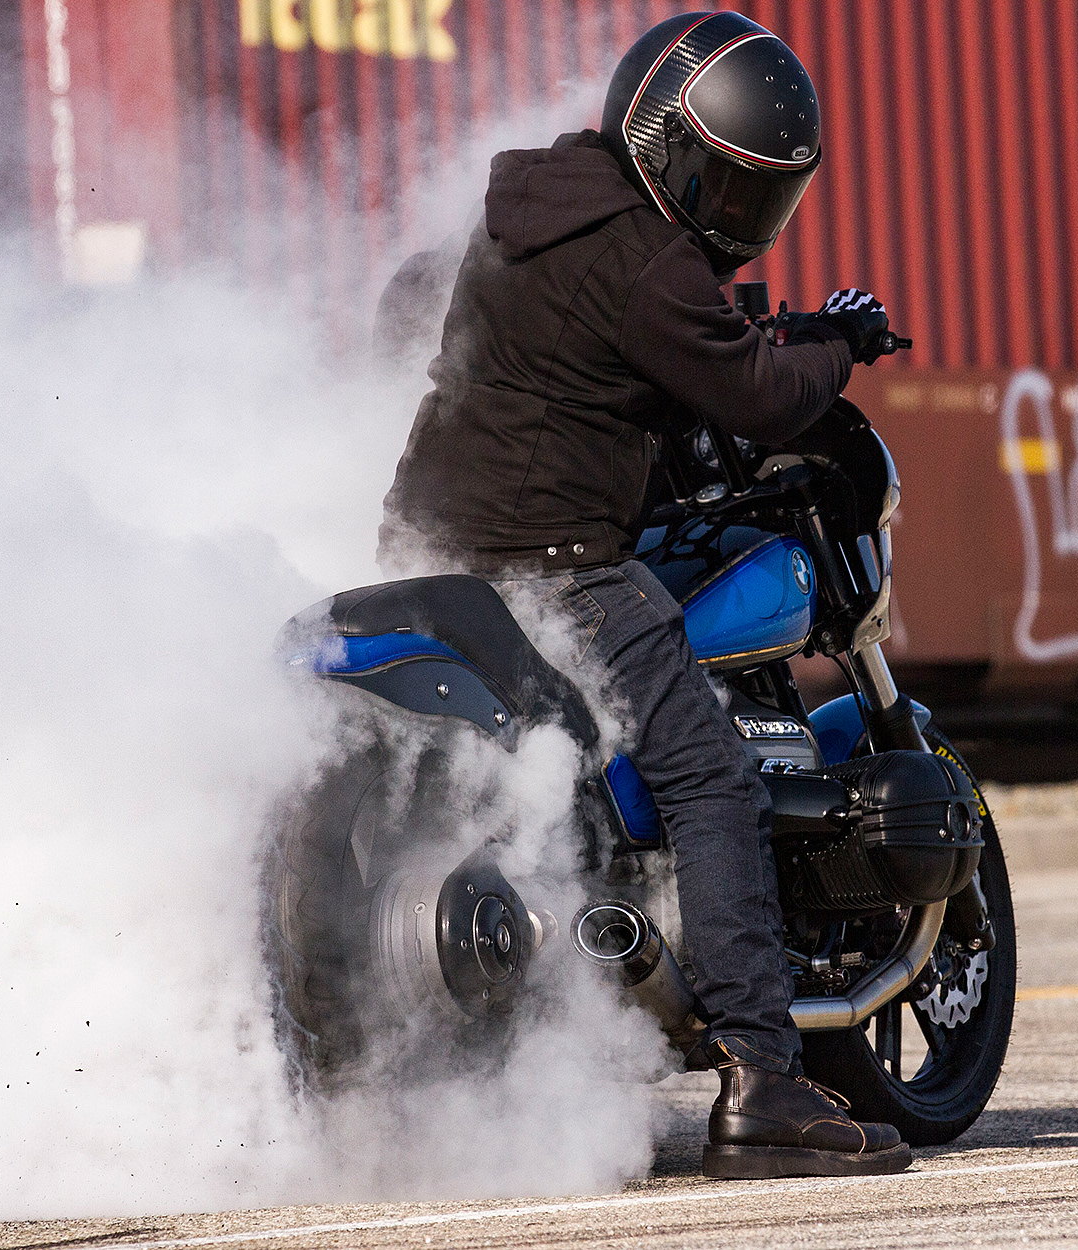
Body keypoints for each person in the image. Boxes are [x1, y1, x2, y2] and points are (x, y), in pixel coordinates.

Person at [377, 11, 908, 1180]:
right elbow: (762, 396)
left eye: (756, 195)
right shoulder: (650, 257)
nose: (733, 216)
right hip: (555, 563)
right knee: (711, 780)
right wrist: (838, 342)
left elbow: (597, 352)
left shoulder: (529, 205)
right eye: (722, 184)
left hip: (427, 548)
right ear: (662, 141)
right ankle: (765, 1082)